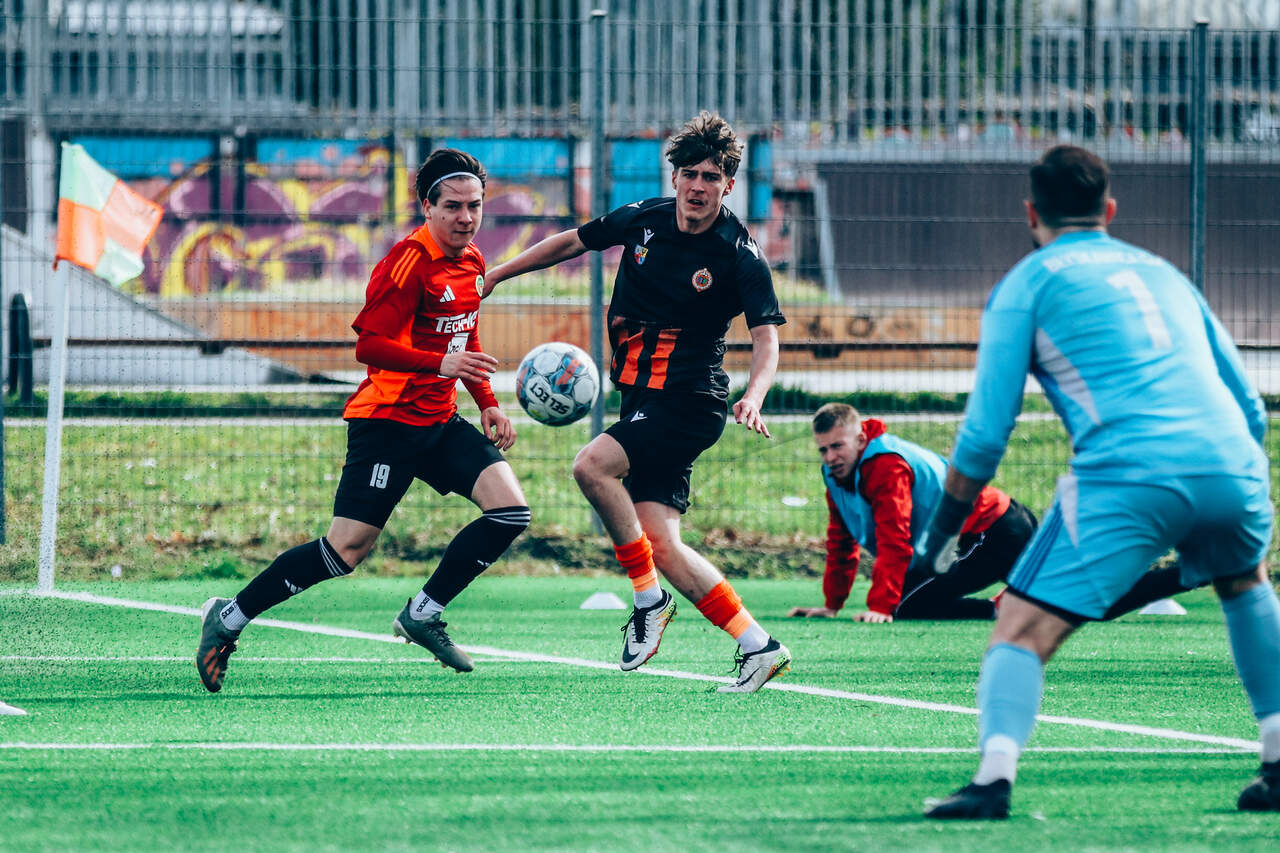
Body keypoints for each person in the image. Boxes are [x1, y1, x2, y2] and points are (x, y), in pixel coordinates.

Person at [915, 145, 1279, 818]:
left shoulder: (1025, 284)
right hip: (1233, 460)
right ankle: (1279, 762)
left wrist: (940, 535)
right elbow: (1251, 407)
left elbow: (986, 436)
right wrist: (1231, 481)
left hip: (1128, 473)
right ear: (1109, 211)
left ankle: (992, 781)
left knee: (1019, 627)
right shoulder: (1166, 274)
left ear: (1031, 213)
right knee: (1245, 583)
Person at [195, 148, 530, 692]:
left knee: (510, 512)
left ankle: (423, 613)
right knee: (344, 551)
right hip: (387, 424)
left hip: (439, 421)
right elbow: (369, 345)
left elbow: (463, 333)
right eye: (452, 206)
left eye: (474, 206)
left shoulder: (471, 260)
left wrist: (487, 399)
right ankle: (228, 618)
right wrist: (439, 364)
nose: (466, 218)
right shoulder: (406, 263)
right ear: (427, 206)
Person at [483, 112, 791, 693]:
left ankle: (649, 601)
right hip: (643, 399)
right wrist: (498, 274)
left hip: (689, 402)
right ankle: (759, 646)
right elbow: (572, 241)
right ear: (675, 177)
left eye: (712, 177)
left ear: (728, 185)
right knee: (663, 544)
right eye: (689, 174)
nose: (698, 186)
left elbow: (766, 337)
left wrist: (755, 395)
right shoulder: (645, 218)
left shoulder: (738, 254)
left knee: (590, 466)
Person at [788, 403, 1196, 624]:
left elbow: (894, 539)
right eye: (823, 449)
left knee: (905, 604)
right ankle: (1196, 570)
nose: (830, 457)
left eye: (838, 446)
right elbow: (841, 540)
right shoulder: (837, 475)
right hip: (991, 528)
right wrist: (833, 604)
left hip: (992, 532)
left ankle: (1004, 608)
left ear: (861, 439)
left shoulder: (884, 466)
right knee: (1083, 600)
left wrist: (880, 606)